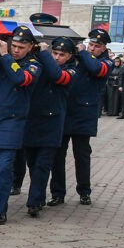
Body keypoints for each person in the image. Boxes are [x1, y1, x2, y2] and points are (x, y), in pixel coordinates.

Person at [0, 27, 40, 225]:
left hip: (11, 123)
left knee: (3, 169)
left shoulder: (33, 65)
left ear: (30, 47)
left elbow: (21, 79)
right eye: (14, 46)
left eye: (21, 47)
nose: (16, 50)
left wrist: (5, 57)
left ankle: (0, 210)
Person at [49, 29, 111, 206]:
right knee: (57, 156)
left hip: (84, 114)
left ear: (104, 48)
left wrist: (83, 52)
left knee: (82, 156)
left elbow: (96, 69)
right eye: (90, 44)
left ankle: (84, 191)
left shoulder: (106, 62)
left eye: (96, 46)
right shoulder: (78, 57)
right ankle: (57, 193)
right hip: (64, 111)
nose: (92, 48)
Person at [18, 38, 74, 217]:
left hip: (52, 124)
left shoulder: (71, 70)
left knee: (42, 165)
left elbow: (57, 76)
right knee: (32, 163)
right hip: (32, 121)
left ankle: (34, 202)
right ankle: (39, 196)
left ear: (69, 56)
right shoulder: (40, 63)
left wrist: (44, 53)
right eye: (54, 53)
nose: (57, 57)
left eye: (61, 55)